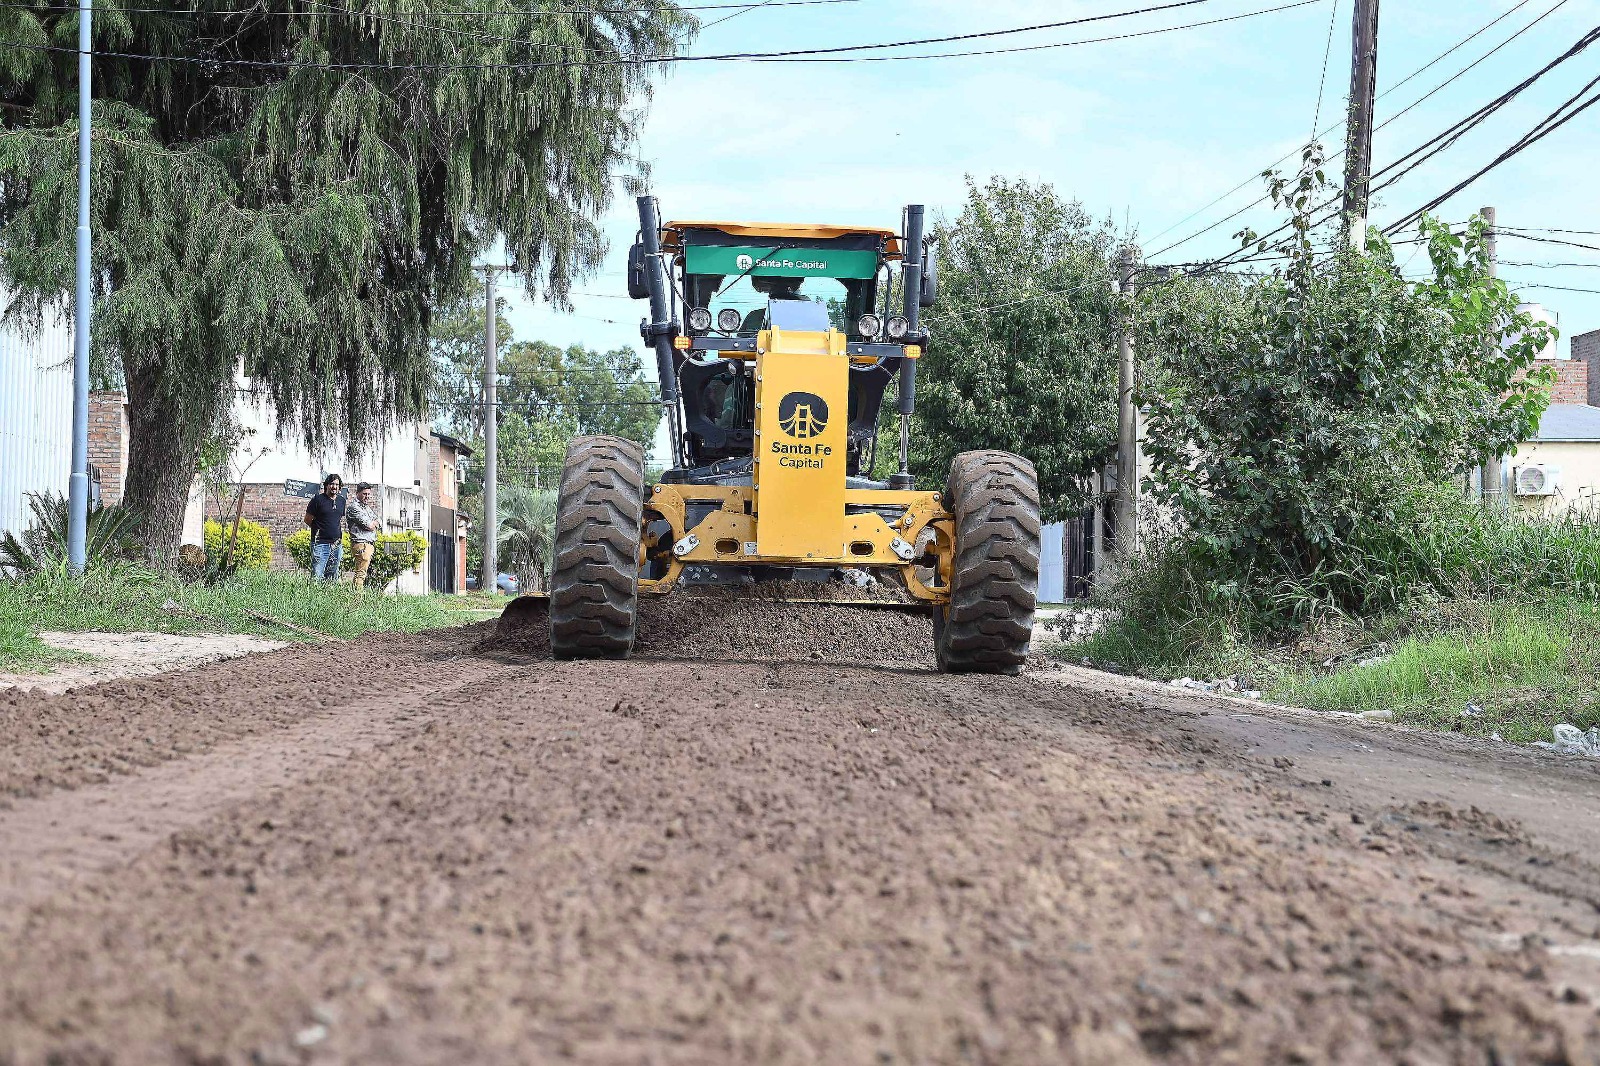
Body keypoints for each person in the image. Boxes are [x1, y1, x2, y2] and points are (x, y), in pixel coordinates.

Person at [304, 473, 346, 582]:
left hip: (336, 544)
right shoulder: (317, 500)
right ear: (326, 485)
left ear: (339, 487)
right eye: (331, 484)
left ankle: (329, 593)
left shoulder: (342, 501)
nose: (334, 487)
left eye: (337, 484)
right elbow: (307, 519)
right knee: (317, 576)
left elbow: (337, 520)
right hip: (320, 543)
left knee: (332, 576)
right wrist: (320, 529)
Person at [346, 482, 381, 590]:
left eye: (368, 494)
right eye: (364, 494)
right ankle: (357, 598)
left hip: (367, 544)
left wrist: (374, 523)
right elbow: (370, 525)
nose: (367, 496)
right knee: (360, 574)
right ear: (357, 493)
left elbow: (378, 521)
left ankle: (357, 596)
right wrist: (373, 524)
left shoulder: (365, 507)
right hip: (361, 544)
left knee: (362, 573)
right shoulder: (354, 507)